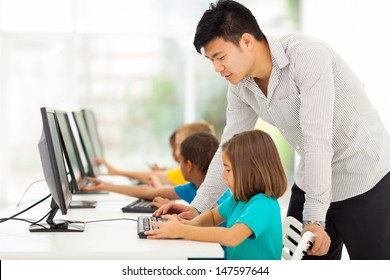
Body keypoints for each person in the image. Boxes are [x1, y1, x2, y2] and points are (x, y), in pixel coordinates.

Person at [154, 0, 390, 260]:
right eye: (211, 60)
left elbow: (317, 140)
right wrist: (197, 208)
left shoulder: (308, 56)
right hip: (312, 176)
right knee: (297, 267)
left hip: (364, 176)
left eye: (220, 57)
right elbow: (228, 146)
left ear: (246, 41)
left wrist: (315, 219)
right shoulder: (240, 86)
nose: (217, 68)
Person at [146, 130, 286, 260]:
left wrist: (183, 230)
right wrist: (189, 224)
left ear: (252, 171)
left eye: (228, 170)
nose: (223, 176)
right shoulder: (239, 199)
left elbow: (231, 236)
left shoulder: (263, 205)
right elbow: (213, 216)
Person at [83, 132, 231, 208]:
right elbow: (150, 193)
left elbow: (207, 222)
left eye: (180, 161)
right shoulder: (193, 187)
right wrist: (106, 186)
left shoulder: (216, 194)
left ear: (189, 165)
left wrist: (173, 208)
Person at [95, 121, 216, 188]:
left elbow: (154, 176)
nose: (176, 152)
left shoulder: (195, 175)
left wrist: (117, 172)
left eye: (179, 145)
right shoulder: (205, 174)